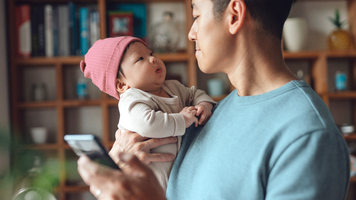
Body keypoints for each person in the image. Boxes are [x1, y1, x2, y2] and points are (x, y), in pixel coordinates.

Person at [77, 0, 351, 199]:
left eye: (196, 15)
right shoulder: (208, 115)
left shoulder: (308, 136)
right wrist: (123, 175)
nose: (190, 32)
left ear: (234, 15)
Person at [79, 36, 216, 191]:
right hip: (145, 182)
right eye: (140, 59)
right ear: (122, 84)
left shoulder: (173, 87)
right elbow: (148, 124)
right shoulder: (130, 100)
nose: (152, 59)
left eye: (151, 54)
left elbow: (194, 94)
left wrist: (204, 104)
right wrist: (182, 119)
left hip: (175, 179)